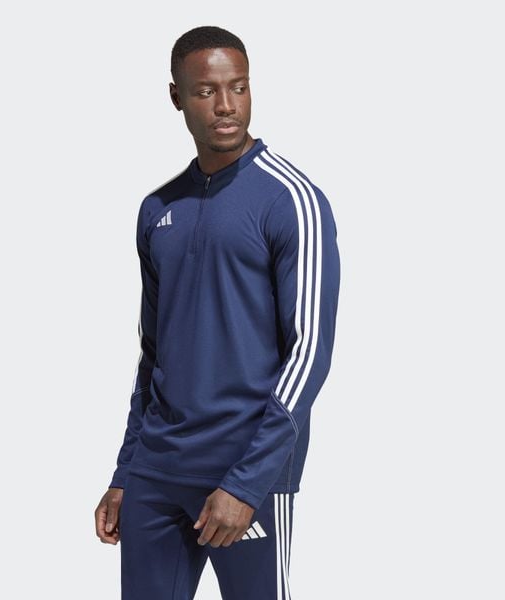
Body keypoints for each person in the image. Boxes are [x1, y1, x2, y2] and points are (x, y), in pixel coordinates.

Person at [94, 25, 341, 599]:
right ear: (177, 96)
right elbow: (153, 353)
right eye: (206, 91)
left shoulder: (291, 200)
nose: (226, 105)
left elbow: (309, 352)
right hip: (157, 470)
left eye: (239, 87)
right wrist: (126, 472)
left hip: (243, 470)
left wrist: (248, 483)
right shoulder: (158, 208)